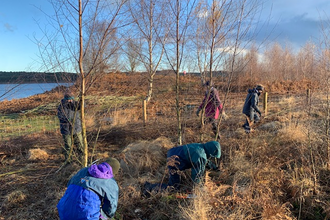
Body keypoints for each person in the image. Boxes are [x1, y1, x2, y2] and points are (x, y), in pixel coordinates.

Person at [144, 141, 221, 193]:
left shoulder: (200, 147)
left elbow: (205, 161)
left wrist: (215, 168)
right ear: (211, 152)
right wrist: (198, 188)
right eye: (213, 156)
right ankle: (149, 187)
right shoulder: (200, 156)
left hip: (172, 152)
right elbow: (197, 174)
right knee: (173, 187)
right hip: (174, 161)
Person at [57, 93, 84, 162]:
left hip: (76, 128)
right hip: (66, 130)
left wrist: (81, 100)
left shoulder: (75, 104)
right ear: (65, 99)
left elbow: (82, 106)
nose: (69, 101)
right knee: (68, 146)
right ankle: (68, 161)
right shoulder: (61, 106)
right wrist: (68, 120)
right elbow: (61, 117)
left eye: (71, 99)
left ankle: (82, 160)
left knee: (80, 145)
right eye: (68, 100)